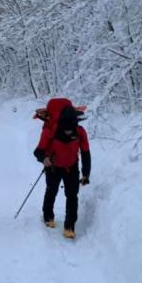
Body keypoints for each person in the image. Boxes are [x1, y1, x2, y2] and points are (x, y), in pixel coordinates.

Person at [33, 102, 91, 239]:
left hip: (72, 166)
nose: (68, 131)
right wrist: (43, 159)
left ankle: (69, 226)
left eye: (71, 129)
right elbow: (38, 152)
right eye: (66, 129)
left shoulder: (80, 132)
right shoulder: (50, 132)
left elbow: (86, 153)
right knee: (51, 190)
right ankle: (48, 216)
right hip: (53, 166)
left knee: (72, 195)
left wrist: (86, 174)